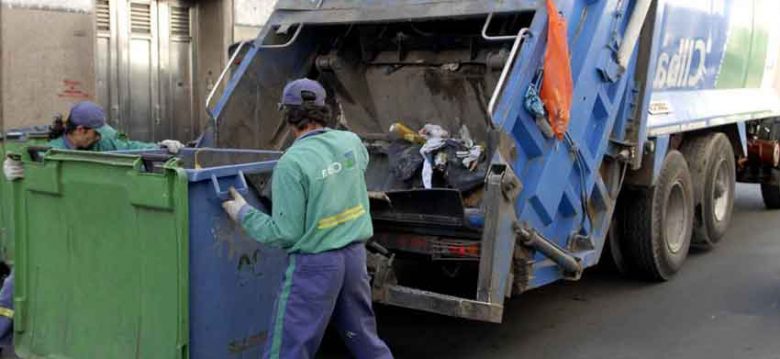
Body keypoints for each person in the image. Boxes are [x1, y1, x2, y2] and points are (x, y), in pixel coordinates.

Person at [221, 78, 392, 359]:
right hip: (354, 259)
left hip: (317, 266)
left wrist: (243, 213)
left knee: (289, 347)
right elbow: (356, 168)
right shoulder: (351, 142)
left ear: (288, 116)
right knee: (363, 338)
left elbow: (285, 233)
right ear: (325, 110)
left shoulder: (291, 163)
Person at [0, 101, 185, 354]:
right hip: (57, 233)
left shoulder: (102, 144)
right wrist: (12, 169)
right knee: (17, 284)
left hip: (93, 234)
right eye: (95, 132)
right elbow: (22, 162)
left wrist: (162, 147)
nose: (99, 137)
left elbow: (130, 149)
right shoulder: (47, 152)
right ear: (80, 130)